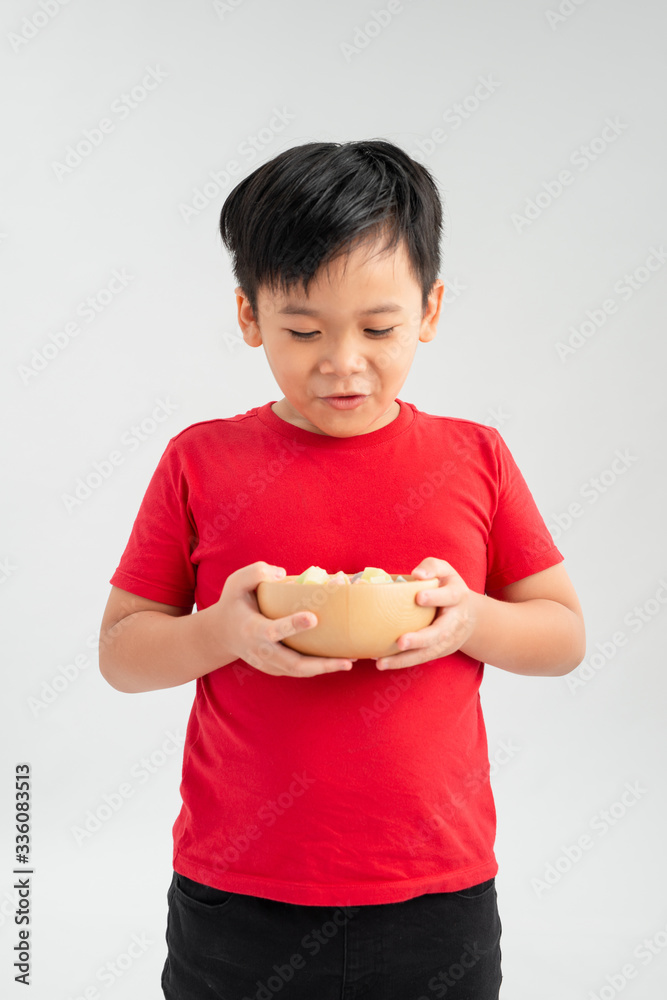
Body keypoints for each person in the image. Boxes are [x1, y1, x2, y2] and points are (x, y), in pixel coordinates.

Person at [99, 139, 585, 1000]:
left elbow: (561, 637)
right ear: (249, 317)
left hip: (435, 890)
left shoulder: (473, 456)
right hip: (238, 893)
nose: (342, 361)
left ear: (430, 310)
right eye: (301, 330)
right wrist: (222, 632)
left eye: (379, 327)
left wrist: (472, 618)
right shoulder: (200, 460)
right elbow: (123, 654)